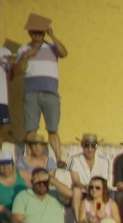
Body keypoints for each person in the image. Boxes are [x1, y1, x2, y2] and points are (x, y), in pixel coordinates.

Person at [16, 14, 67, 164]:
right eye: (35, 32)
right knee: (31, 129)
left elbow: (64, 53)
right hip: (31, 93)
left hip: (51, 93)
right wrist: (25, 57)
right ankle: (29, 158)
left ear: (44, 32)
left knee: (52, 129)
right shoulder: (24, 49)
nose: (37, 35)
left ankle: (59, 159)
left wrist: (52, 35)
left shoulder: (51, 47)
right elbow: (17, 71)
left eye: (40, 32)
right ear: (29, 33)